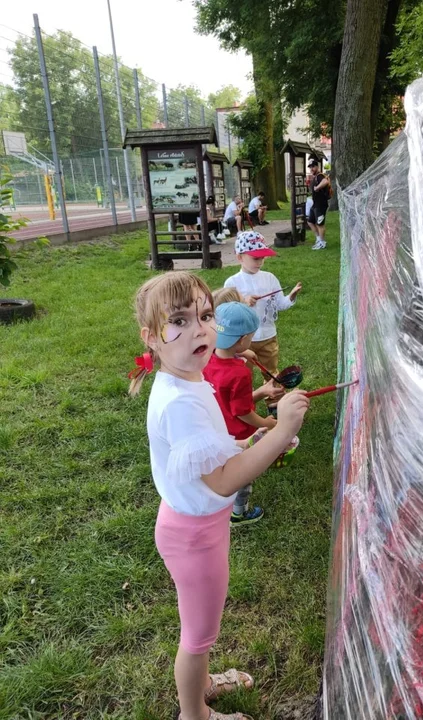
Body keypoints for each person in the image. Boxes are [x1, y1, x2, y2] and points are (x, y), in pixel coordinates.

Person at [129, 271, 309, 720]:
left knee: (201, 627)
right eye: (180, 321)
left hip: (197, 527)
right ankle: (196, 714)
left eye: (205, 315)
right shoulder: (181, 401)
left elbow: (214, 454)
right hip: (194, 537)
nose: (199, 329)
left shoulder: (189, 377)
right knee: (197, 637)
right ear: (151, 337)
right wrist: (281, 428)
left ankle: (204, 684)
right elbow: (225, 480)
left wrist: (254, 443)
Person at [204, 302, 285, 527]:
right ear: (241, 340)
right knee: (242, 475)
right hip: (238, 435)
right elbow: (242, 413)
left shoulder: (208, 358)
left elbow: (229, 401)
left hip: (217, 429)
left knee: (222, 470)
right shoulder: (239, 373)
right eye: (250, 337)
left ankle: (217, 501)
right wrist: (266, 423)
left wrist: (261, 392)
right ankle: (238, 513)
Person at [224, 231, 302, 378]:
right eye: (255, 258)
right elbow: (226, 313)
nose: (259, 262)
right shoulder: (232, 283)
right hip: (242, 340)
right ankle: (246, 398)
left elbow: (279, 304)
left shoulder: (270, 278)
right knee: (243, 373)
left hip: (268, 336)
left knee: (271, 371)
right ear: (240, 257)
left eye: (262, 258)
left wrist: (290, 297)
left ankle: (273, 398)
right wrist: (243, 302)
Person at [306, 158, 330, 250]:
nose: (311, 169)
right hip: (315, 204)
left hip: (321, 204)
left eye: (313, 167)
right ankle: (318, 239)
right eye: (310, 167)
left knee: (320, 224)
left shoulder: (320, 175)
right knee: (310, 221)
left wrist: (317, 188)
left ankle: (322, 242)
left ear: (317, 166)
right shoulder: (315, 177)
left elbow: (325, 181)